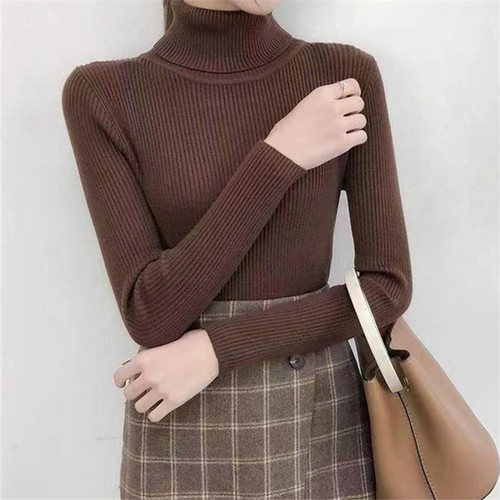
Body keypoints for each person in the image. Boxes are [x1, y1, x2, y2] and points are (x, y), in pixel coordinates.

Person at [61, 0, 413, 498]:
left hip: (314, 418)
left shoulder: (343, 76)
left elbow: (386, 288)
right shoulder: (103, 93)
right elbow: (150, 313)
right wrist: (281, 154)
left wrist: (218, 348)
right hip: (183, 424)